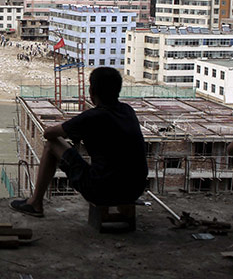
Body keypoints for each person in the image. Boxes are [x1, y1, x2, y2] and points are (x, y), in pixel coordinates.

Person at [10, 67, 148, 217]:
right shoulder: (128, 111)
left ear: (92, 91)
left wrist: (71, 127)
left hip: (101, 190)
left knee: (52, 144)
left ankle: (35, 202)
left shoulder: (91, 117)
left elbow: (49, 134)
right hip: (134, 190)